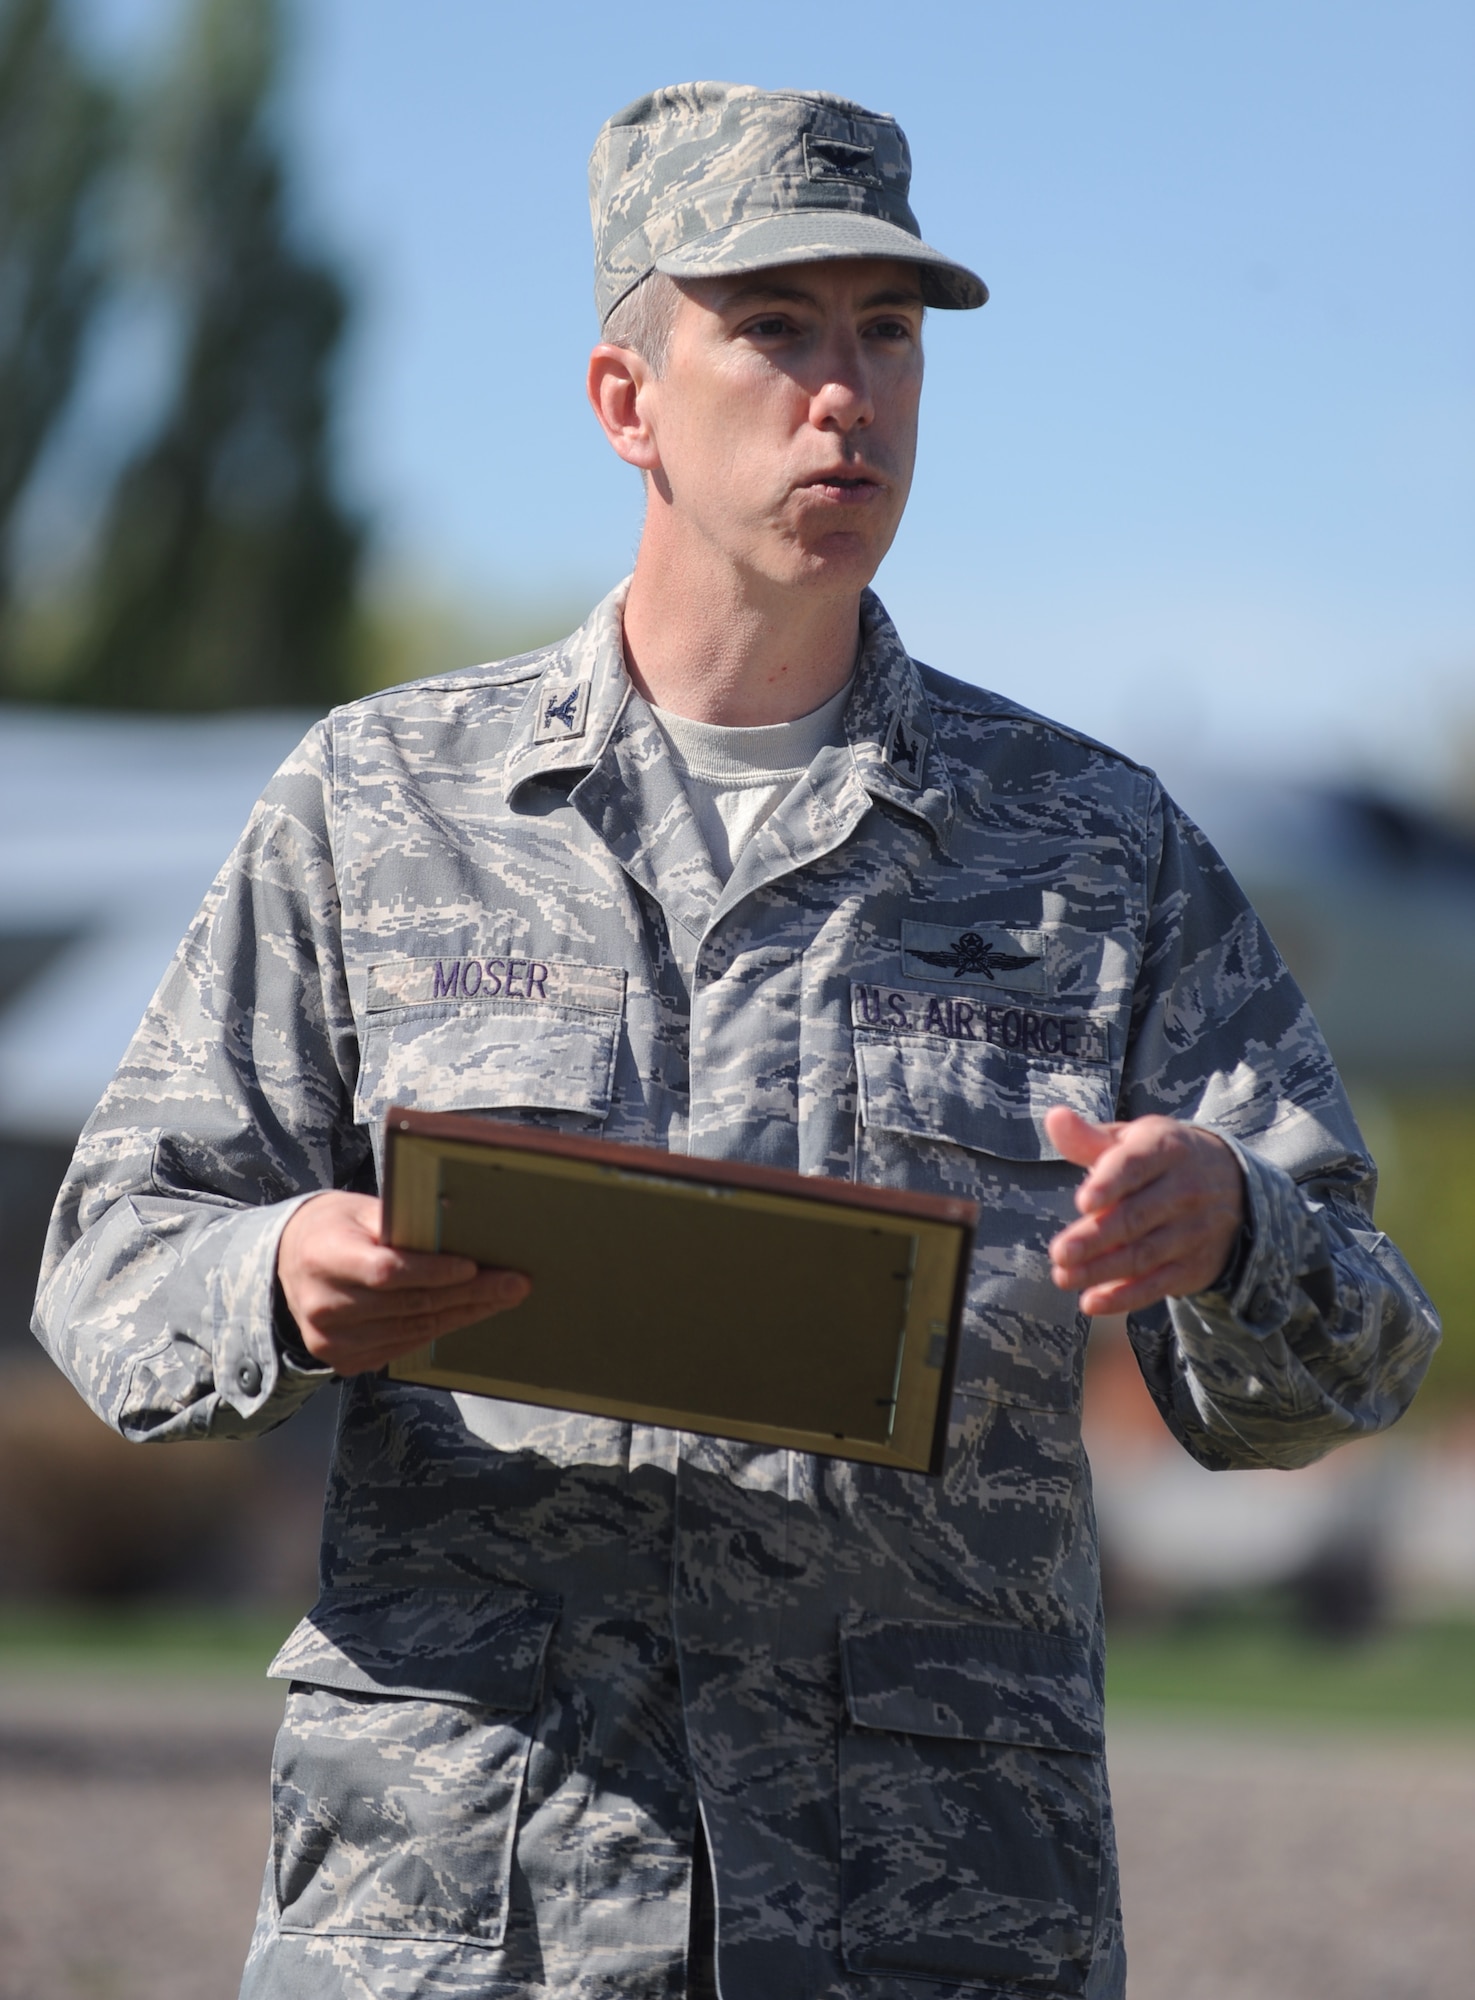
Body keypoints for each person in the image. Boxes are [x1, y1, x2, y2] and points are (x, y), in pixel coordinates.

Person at [34, 81, 1437, 2000]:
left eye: (888, 331)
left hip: (930, 1922)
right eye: (773, 328)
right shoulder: (379, 806)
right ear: (628, 400)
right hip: (476, 1902)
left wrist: (1236, 1237)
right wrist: (275, 1269)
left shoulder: (1096, 851)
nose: (842, 390)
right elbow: (110, 1263)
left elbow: (1354, 1362)